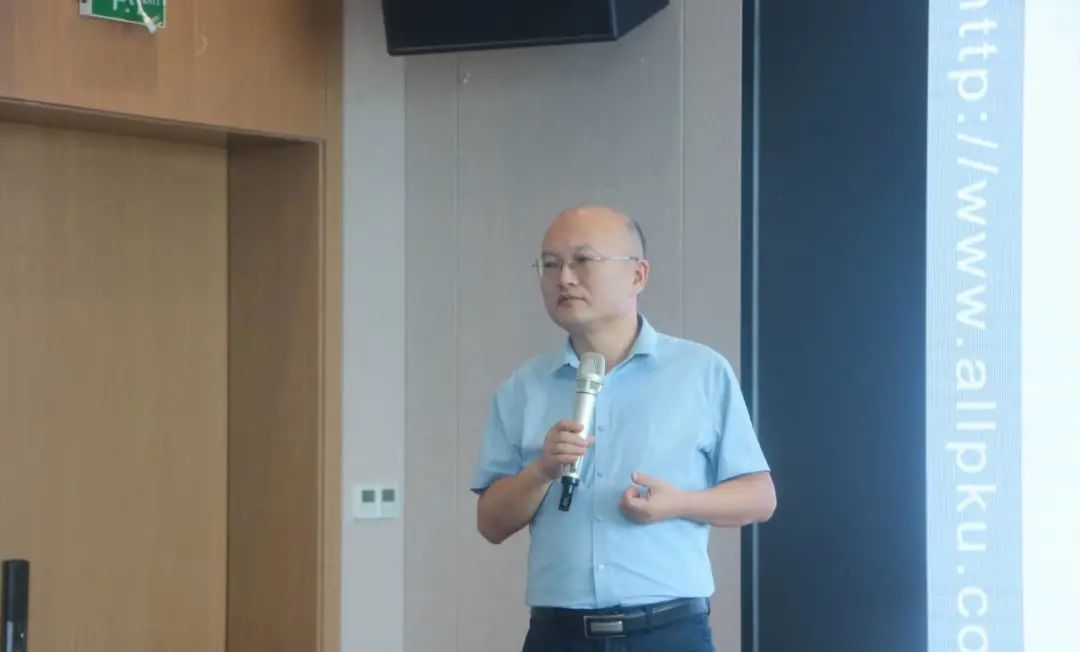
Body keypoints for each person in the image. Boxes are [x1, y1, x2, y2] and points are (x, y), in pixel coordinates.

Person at [471, 204, 776, 651]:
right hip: (559, 636)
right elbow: (491, 524)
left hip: (668, 633)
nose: (564, 278)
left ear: (638, 275)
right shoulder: (523, 388)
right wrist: (541, 471)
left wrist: (679, 504)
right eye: (550, 264)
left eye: (583, 260)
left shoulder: (700, 371)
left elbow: (760, 498)